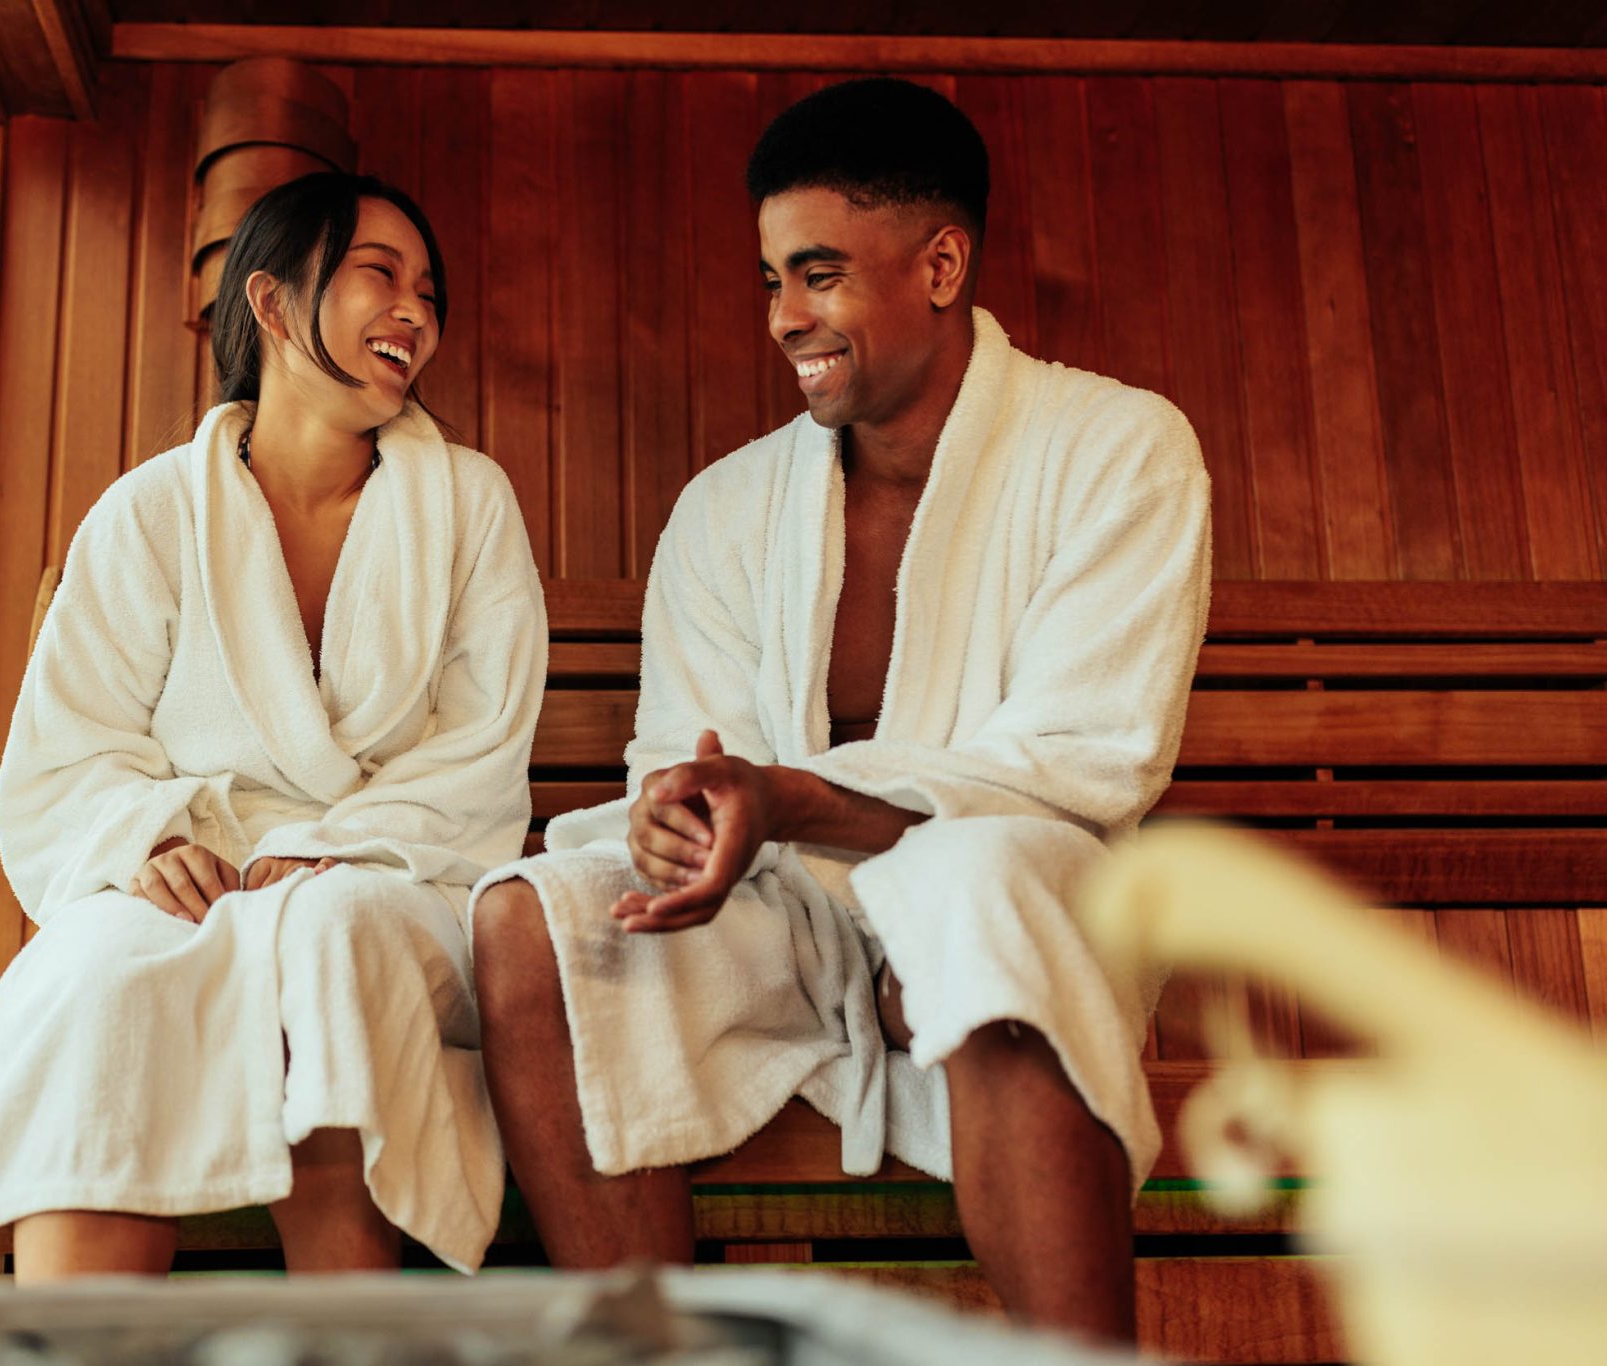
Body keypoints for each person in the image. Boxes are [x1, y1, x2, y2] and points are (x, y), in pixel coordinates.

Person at [471, 79, 1210, 1345]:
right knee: (529, 922)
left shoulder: (1117, 449)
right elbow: (676, 757)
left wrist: (805, 801)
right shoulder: (723, 508)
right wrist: (678, 822)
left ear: (939, 262)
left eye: (816, 273)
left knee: (977, 880)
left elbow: (1089, 761)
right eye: (769, 280)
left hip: (1018, 891)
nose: (784, 318)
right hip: (781, 915)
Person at [0, 172, 546, 1280]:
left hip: (396, 874)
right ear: (275, 305)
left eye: (428, 291)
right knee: (97, 974)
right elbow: (71, 750)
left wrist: (331, 850)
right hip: (196, 881)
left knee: (333, 938)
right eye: (379, 275)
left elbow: (483, 746)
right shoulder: (151, 514)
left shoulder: (468, 503)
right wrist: (150, 846)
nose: (415, 314)